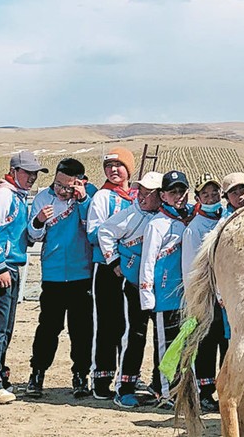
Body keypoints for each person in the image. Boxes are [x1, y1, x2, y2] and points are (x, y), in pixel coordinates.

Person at [0, 150, 47, 404]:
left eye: (35, 173)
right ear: (15, 171)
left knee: (4, 326)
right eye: (28, 172)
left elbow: (21, 235)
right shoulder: (3, 196)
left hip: (12, 265)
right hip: (0, 267)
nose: (32, 178)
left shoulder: (17, 196)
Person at [25, 158, 92, 399]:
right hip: (53, 274)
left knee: (81, 329)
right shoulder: (43, 198)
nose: (61, 191)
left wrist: (83, 200)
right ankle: (37, 374)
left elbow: (93, 227)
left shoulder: (89, 196)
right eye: (58, 185)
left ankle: (81, 375)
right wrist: (39, 220)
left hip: (81, 274)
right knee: (49, 327)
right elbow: (33, 235)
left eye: (67, 187)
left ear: (80, 183)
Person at [96, 171, 164, 409]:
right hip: (134, 283)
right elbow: (104, 231)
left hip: (160, 284)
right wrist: (114, 261)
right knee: (134, 334)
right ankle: (125, 387)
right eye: (141, 192)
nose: (143, 197)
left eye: (149, 194)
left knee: (161, 336)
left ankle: (159, 384)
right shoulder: (131, 214)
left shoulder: (166, 216)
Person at [86, 147, 137, 400]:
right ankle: (101, 377)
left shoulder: (137, 197)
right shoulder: (102, 197)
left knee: (128, 324)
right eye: (109, 166)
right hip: (106, 267)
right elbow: (93, 233)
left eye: (119, 165)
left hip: (132, 268)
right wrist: (120, 237)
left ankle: (126, 375)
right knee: (106, 323)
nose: (114, 170)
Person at [139, 170, 191, 409]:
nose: (178, 196)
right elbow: (148, 261)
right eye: (173, 192)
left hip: (185, 295)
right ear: (163, 195)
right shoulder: (156, 224)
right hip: (163, 294)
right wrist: (147, 295)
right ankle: (165, 392)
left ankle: (181, 389)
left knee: (183, 345)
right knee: (165, 345)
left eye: (182, 191)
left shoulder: (189, 218)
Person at [182, 173, 228, 413]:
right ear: (198, 198)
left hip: (227, 295)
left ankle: (226, 389)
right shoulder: (194, 228)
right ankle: (206, 391)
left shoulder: (226, 219)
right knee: (207, 344)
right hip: (208, 296)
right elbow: (190, 268)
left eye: (214, 194)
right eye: (206, 195)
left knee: (227, 343)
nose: (211, 198)